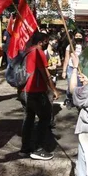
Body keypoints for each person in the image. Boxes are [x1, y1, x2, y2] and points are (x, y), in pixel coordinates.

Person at [20, 32, 59, 160]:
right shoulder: (38, 52)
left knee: (29, 118)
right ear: (41, 41)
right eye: (46, 40)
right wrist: (53, 89)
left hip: (23, 91)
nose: (48, 43)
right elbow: (45, 73)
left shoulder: (26, 51)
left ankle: (25, 148)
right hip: (35, 91)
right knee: (46, 116)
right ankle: (38, 148)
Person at [62, 32, 83, 108]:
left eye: (80, 35)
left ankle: (78, 100)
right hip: (71, 68)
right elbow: (66, 59)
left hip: (81, 69)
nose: (78, 37)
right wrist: (64, 71)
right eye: (76, 35)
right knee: (70, 85)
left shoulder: (86, 46)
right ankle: (69, 100)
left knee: (80, 85)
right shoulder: (69, 46)